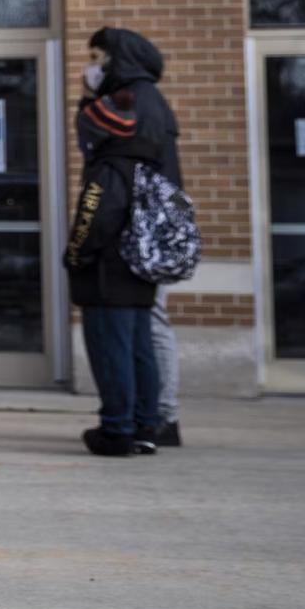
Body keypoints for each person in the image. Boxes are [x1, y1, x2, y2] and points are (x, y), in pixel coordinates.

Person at [89, 28, 185, 448]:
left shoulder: (136, 103)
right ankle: (151, 418)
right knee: (145, 324)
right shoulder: (148, 100)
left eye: (99, 57)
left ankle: (156, 417)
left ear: (118, 59)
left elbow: (117, 165)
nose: (94, 66)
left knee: (145, 325)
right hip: (147, 225)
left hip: (134, 231)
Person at [66, 85, 162, 456]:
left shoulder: (106, 172)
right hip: (140, 274)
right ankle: (143, 425)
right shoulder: (146, 166)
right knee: (140, 350)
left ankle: (116, 428)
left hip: (108, 277)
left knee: (112, 351)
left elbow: (92, 222)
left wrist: (74, 257)